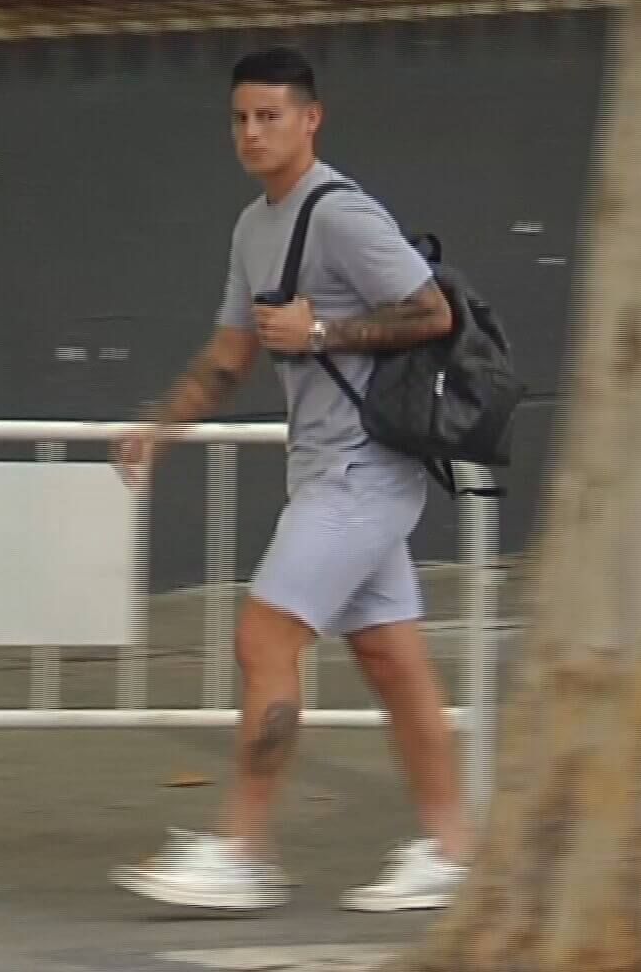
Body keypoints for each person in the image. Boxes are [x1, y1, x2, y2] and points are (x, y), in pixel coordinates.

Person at [108, 45, 473, 914]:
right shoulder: (254, 227)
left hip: (364, 470)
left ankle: (243, 850)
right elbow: (233, 351)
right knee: (392, 660)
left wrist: (323, 335)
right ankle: (454, 848)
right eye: (240, 118)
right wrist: (163, 428)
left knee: (264, 641)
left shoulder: (339, 213)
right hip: (326, 471)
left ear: (310, 119)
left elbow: (434, 312)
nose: (251, 132)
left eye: (270, 116)